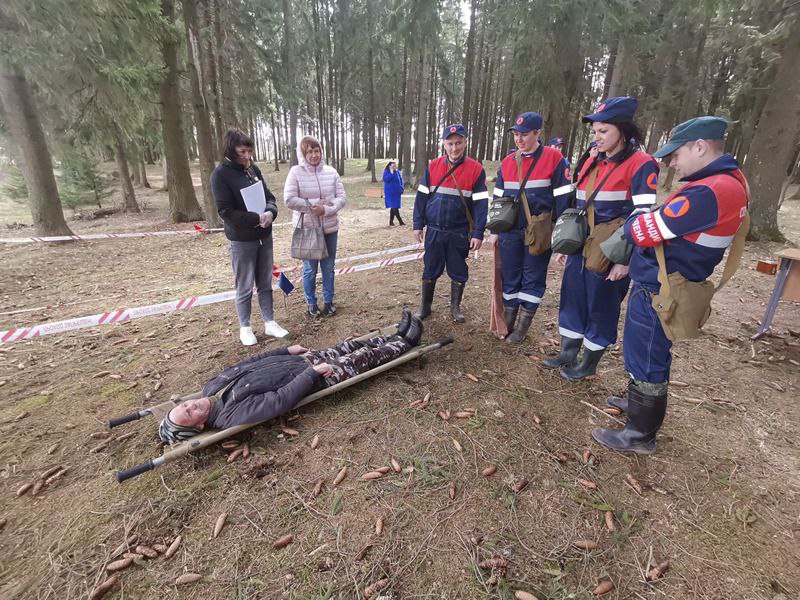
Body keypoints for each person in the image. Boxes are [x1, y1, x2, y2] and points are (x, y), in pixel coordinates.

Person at [592, 116, 749, 454]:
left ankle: (639, 433)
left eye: (676, 155)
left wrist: (637, 220)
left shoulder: (711, 190)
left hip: (662, 286)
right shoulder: (730, 181)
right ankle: (637, 403)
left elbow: (642, 230)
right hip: (670, 280)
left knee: (648, 355)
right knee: (643, 350)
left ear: (701, 147)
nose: (671, 163)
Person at [159, 311, 423, 442]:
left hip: (297, 361)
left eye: (185, 405)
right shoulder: (229, 416)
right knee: (361, 359)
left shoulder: (210, 388)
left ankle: (392, 336)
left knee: (348, 345)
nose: (191, 405)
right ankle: (405, 342)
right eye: (190, 413)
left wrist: (285, 349)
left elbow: (249, 361)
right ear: (198, 427)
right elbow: (278, 400)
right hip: (315, 377)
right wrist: (311, 373)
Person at [545, 97, 659, 379]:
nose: (597, 138)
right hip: (581, 244)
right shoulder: (591, 159)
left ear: (623, 129)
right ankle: (568, 351)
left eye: (604, 131)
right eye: (595, 131)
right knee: (572, 297)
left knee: (602, 304)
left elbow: (641, 216)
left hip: (612, 249)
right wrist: (566, 243)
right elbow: (578, 201)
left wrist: (626, 261)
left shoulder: (642, 164)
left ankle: (589, 362)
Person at [488, 112, 572, 343]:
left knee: (533, 278)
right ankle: (509, 321)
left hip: (539, 231)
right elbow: (498, 199)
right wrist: (494, 231)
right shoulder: (507, 162)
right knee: (510, 276)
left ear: (538, 133)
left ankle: (523, 328)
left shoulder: (554, 159)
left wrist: (562, 237)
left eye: (524, 134)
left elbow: (564, 201)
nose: (519, 139)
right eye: (516, 134)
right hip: (509, 230)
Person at [211, 128, 289, 346]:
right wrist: (254, 217)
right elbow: (225, 211)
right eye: (242, 151)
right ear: (231, 150)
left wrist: (270, 213)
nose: (247, 156)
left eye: (249, 151)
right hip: (242, 239)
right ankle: (245, 327)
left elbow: (270, 197)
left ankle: (270, 322)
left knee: (265, 282)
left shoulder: (253, 169)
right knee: (244, 285)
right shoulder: (220, 175)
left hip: (265, 235)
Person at [412, 124, 488, 323]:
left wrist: (479, 232)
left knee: (458, 270)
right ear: (444, 144)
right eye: (450, 143)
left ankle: (455, 307)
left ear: (465, 142)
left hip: (459, 231)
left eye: (458, 143)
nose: (454, 148)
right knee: (430, 268)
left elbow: (481, 205)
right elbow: (421, 198)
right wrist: (417, 224)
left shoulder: (476, 170)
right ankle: (425, 307)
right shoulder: (433, 166)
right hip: (435, 230)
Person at [284, 136, 346, 318]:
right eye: (309, 151)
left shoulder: (331, 172)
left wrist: (326, 209)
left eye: (316, 150)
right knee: (310, 269)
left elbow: (341, 197)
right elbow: (289, 199)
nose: (314, 155)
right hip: (308, 229)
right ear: (303, 154)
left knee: (328, 267)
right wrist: (313, 205)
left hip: (330, 228)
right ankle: (311, 302)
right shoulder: (295, 173)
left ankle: (328, 302)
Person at [383, 161, 405, 226]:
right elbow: (385, 179)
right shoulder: (386, 171)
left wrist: (402, 187)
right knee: (394, 207)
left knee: (394, 207)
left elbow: (401, 180)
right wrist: (391, 173)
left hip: (397, 192)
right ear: (389, 166)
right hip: (390, 192)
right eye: (393, 166)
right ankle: (400, 221)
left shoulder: (397, 171)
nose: (394, 167)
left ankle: (391, 221)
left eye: (395, 166)